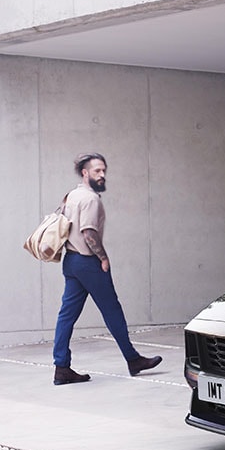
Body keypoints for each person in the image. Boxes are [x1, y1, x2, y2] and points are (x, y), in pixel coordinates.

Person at [52, 153, 162, 385]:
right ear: (85, 173)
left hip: (71, 261)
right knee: (112, 310)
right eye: (97, 171)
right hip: (88, 262)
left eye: (104, 170)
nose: (102, 175)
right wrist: (103, 257)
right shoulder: (90, 199)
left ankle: (61, 367)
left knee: (66, 315)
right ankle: (133, 359)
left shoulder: (71, 196)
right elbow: (88, 233)